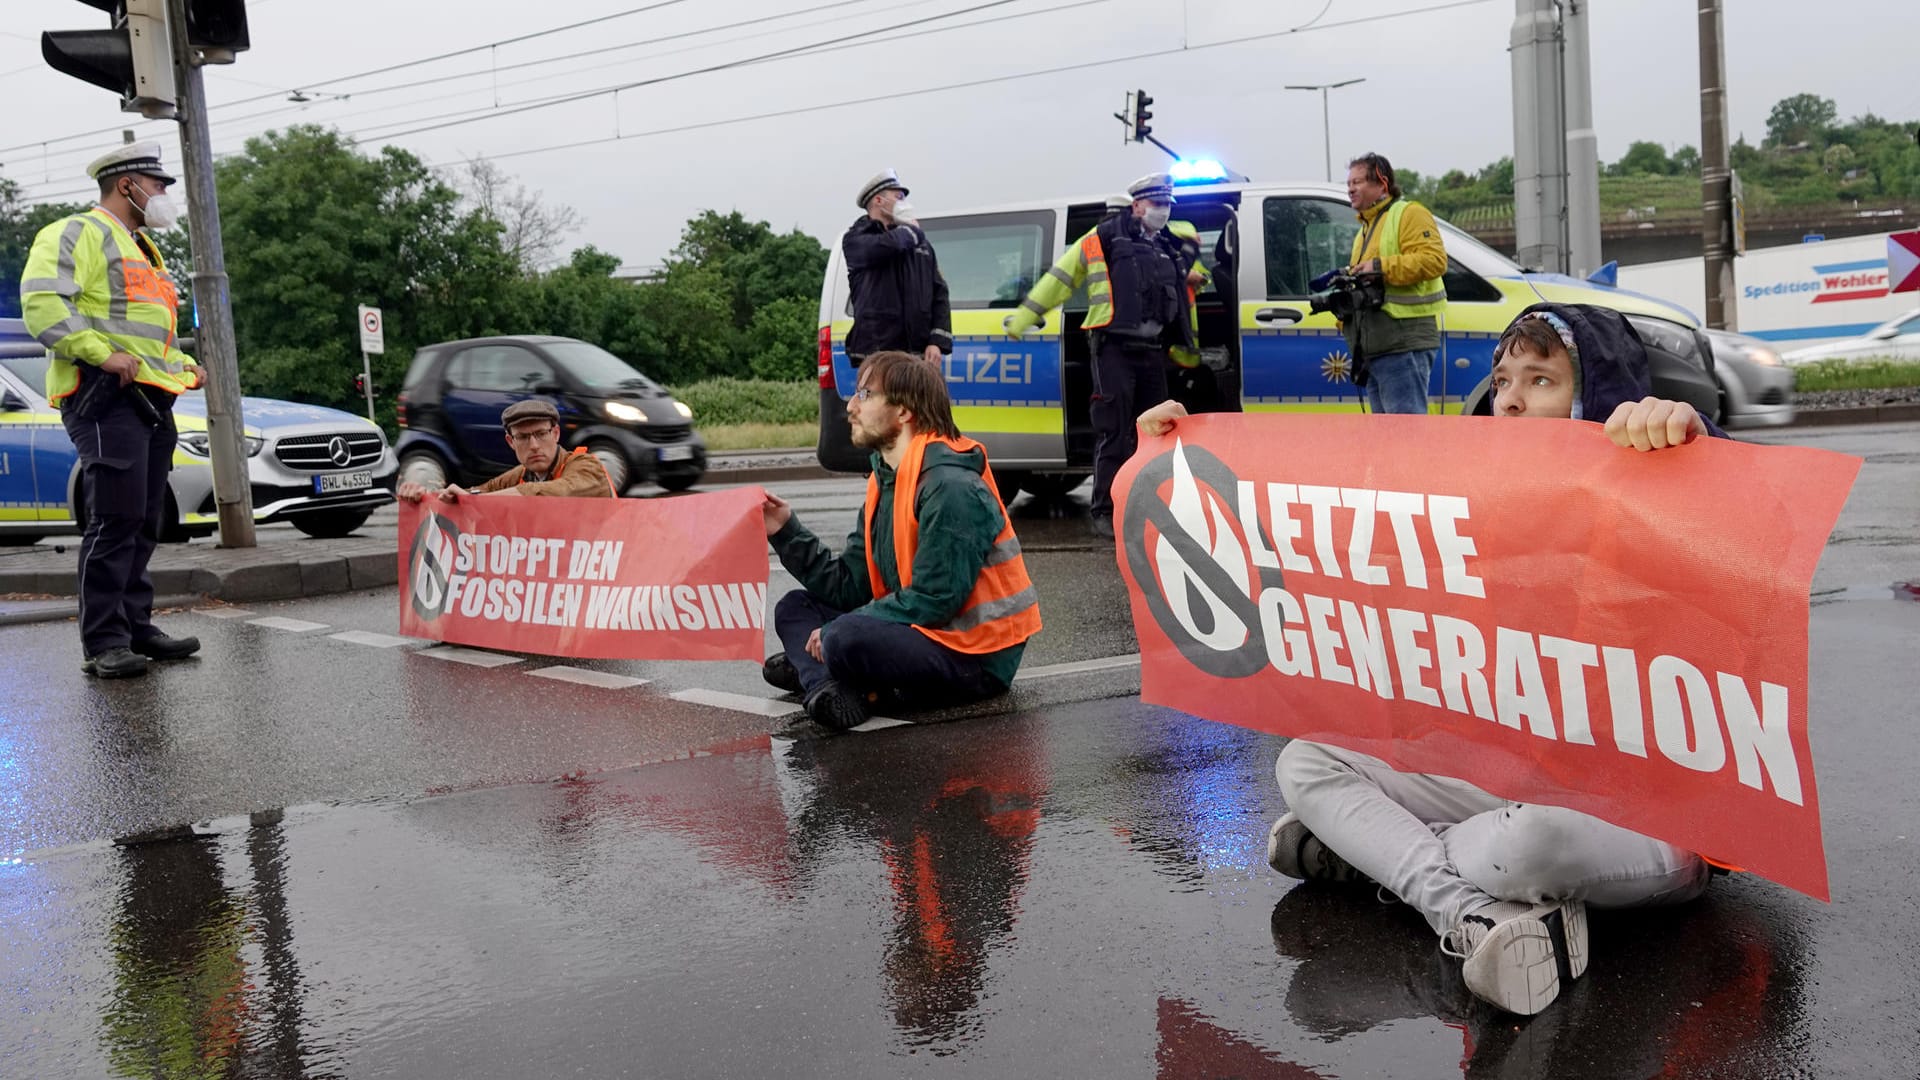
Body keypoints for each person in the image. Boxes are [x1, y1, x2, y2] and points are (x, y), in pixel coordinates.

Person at [1136, 303, 1729, 1016]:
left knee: (1526, 846)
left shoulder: (1660, 470)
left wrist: (1695, 445)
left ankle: (1379, 859)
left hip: (1646, 815)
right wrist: (1180, 454)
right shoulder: (1480, 505)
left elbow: (1749, 542)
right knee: (1307, 761)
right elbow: (1312, 521)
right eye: (1504, 378)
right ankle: (1467, 914)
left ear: (1600, 395)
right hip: (1513, 781)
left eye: (1541, 380)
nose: (1509, 398)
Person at [760, 350, 1041, 732]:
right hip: (921, 633)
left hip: (974, 657)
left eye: (865, 394)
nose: (850, 405)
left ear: (904, 411)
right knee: (793, 608)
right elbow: (850, 587)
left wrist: (838, 632)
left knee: (844, 636)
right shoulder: (886, 481)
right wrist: (785, 529)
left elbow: (935, 599)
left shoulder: (951, 488)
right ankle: (829, 686)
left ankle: (829, 674)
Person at [20, 142, 204, 679]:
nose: (165, 193)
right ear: (128, 185)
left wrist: (186, 366)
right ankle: (103, 642)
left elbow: (148, 332)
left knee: (145, 518)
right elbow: (42, 304)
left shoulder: (145, 248)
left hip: (149, 399)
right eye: (159, 183)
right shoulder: (76, 232)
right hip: (102, 395)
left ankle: (135, 627)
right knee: (115, 519)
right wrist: (103, 354)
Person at [1007, 173, 1198, 538]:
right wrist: (1022, 319)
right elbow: (1059, 279)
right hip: (1114, 349)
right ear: (1138, 205)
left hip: (1153, 351)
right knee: (1115, 430)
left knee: (1157, 431)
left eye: (1167, 205)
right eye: (1157, 204)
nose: (1163, 211)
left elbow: (1182, 280)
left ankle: (1154, 506)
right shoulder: (1103, 239)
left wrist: (1192, 278)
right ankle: (1105, 510)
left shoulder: (1168, 245)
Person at [1340, 152, 1447, 415]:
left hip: (1402, 344)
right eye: (1349, 183)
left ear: (1382, 184)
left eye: (1358, 182)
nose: (1351, 189)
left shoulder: (1408, 214)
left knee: (1405, 437)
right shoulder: (1365, 230)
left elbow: (1434, 261)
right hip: (1376, 349)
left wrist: (1379, 267)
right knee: (1389, 440)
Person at [395, 400, 614, 502]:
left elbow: (558, 491)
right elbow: (479, 492)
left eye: (541, 434)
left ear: (555, 434)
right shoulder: (520, 475)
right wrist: (424, 498)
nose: (534, 445)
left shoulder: (586, 465)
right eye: (524, 437)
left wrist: (475, 500)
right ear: (511, 442)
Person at [843, 169, 952, 367]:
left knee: (914, 399)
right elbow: (889, 245)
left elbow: (939, 293)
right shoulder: (856, 239)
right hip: (876, 355)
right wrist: (913, 230)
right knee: (874, 398)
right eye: (898, 196)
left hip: (915, 356)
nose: (903, 203)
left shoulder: (921, 245)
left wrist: (936, 341)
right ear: (878, 200)